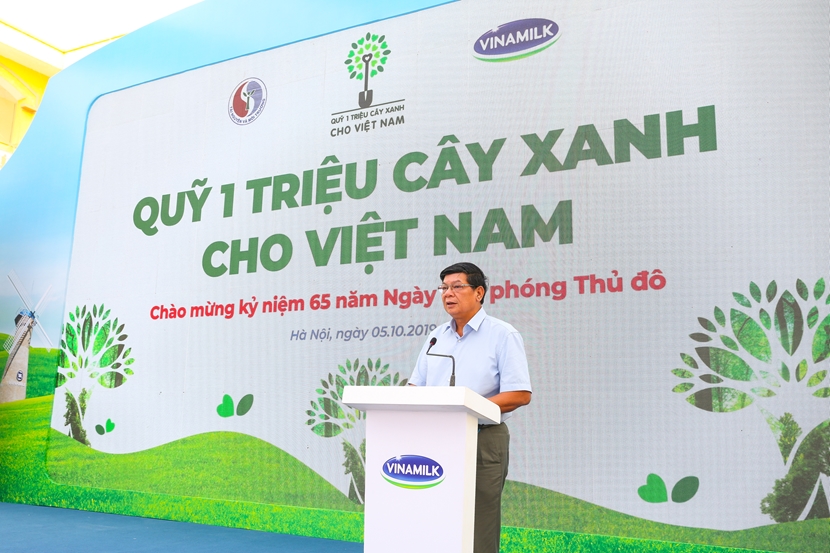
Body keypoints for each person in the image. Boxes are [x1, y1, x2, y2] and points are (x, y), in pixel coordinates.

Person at [409, 262, 532, 553]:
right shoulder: (436, 337)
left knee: (479, 520)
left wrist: (468, 408)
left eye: (456, 287)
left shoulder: (502, 334)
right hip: (436, 438)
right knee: (436, 516)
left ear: (479, 293)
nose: (447, 293)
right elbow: (415, 387)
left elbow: (520, 393)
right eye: (443, 288)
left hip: (483, 438)